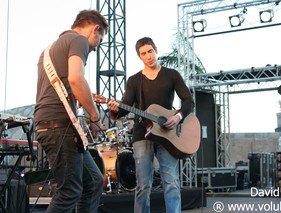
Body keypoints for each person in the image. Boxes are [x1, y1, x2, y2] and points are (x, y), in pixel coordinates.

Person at [107, 37, 194, 213]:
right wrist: (115, 109)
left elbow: (188, 101)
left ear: (156, 50)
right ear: (139, 57)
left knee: (171, 182)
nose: (148, 56)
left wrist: (178, 116)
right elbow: (126, 105)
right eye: (143, 53)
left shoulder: (172, 75)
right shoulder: (134, 81)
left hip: (168, 135)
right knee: (143, 185)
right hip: (142, 134)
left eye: (150, 51)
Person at [34, 9, 108, 212]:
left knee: (93, 181)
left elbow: (63, 87)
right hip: (59, 126)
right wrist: (94, 117)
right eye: (99, 41)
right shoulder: (79, 41)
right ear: (95, 28)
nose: (94, 49)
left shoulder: (49, 50)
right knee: (70, 191)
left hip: (51, 124)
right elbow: (76, 79)